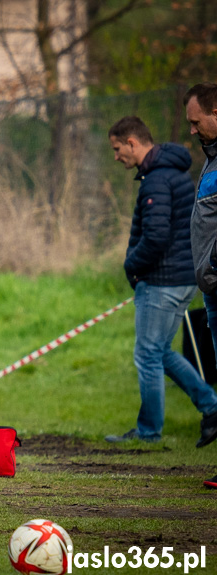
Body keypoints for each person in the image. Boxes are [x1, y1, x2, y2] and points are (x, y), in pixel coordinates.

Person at [103, 116, 217, 448]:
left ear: (132, 143)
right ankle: (211, 408)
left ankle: (149, 431)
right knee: (161, 352)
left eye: (117, 149)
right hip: (181, 277)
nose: (116, 156)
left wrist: (132, 267)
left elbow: (155, 236)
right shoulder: (173, 172)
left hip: (163, 280)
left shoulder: (156, 180)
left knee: (148, 354)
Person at [184, 83, 217, 489]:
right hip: (211, 290)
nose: (192, 130)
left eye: (196, 122)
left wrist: (213, 263)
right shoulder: (210, 162)